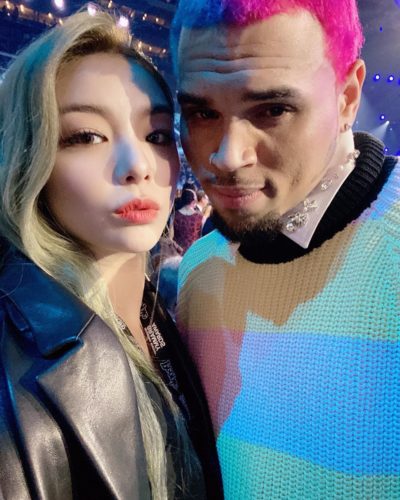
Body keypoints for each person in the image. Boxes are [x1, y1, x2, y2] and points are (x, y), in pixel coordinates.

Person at [171, 0, 400, 498]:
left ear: (347, 97)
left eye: (272, 110)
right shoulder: (199, 270)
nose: (227, 157)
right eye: (202, 113)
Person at [0, 11, 222, 499]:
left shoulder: (169, 312)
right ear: (29, 158)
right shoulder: (15, 373)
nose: (137, 166)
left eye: (156, 135)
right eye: (86, 136)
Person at [173, 187, 203, 254]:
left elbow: (171, 236)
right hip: (193, 252)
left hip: (178, 251)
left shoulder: (175, 215)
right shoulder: (199, 216)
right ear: (193, 200)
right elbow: (200, 236)